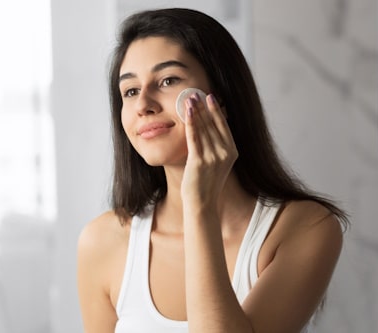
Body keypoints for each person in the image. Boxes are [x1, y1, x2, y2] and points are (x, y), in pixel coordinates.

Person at [77, 8, 349, 333]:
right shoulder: (102, 241)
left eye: (167, 80)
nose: (143, 104)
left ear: (220, 97)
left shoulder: (305, 228)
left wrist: (199, 208)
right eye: (130, 91)